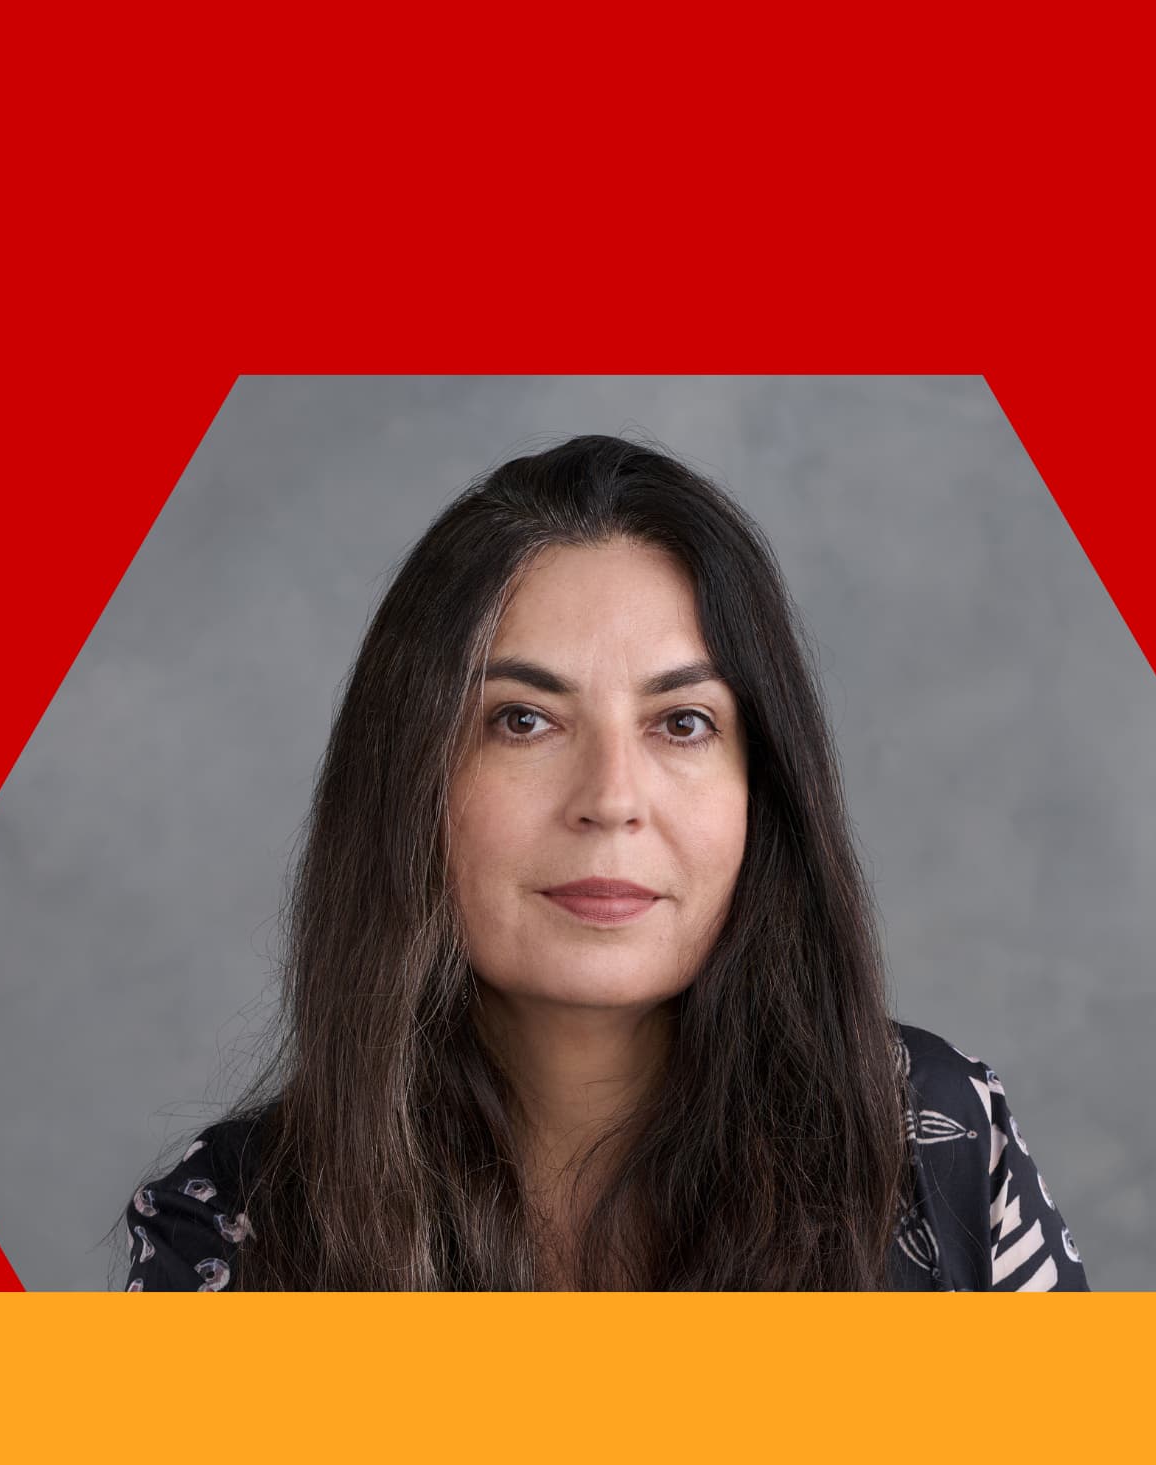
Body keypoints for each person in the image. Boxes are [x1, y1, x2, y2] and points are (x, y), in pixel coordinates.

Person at [115, 435, 1088, 1291]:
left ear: (764, 790)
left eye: (681, 722)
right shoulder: (231, 1227)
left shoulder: (934, 1136)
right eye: (523, 720)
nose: (611, 797)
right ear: (409, 780)